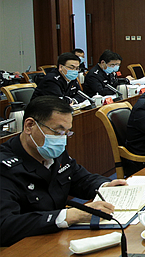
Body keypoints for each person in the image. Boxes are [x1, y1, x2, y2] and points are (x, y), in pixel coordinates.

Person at [0, 96, 127, 246]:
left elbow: (80, 179)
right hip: (24, 248)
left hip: (57, 239)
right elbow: (5, 225)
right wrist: (68, 216)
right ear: (29, 126)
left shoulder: (53, 152)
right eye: (58, 132)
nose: (62, 140)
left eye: (67, 133)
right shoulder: (5, 167)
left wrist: (105, 186)